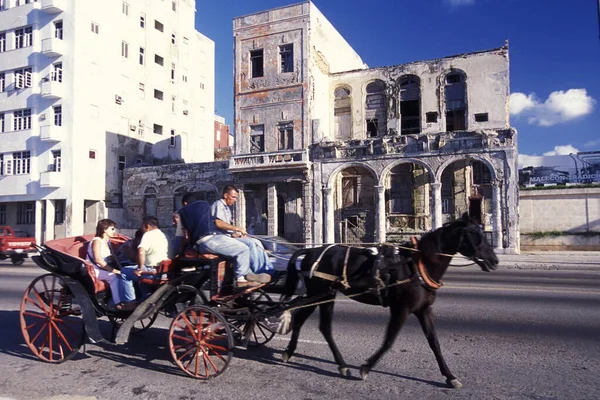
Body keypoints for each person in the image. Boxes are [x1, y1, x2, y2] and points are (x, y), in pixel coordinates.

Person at [177, 193, 267, 289]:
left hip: (207, 240)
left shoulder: (182, 214)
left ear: (185, 203)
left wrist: (180, 251)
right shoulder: (206, 206)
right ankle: (241, 279)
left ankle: (248, 274)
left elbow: (183, 236)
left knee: (246, 246)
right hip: (213, 238)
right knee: (243, 248)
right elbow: (216, 223)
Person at [212, 185, 274, 276]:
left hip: (228, 237)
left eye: (236, 198)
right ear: (225, 195)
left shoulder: (227, 209)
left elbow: (228, 230)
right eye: (233, 197)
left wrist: (237, 235)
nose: (234, 200)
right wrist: (238, 228)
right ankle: (258, 272)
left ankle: (268, 269)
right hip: (220, 239)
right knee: (250, 243)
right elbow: (219, 223)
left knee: (257, 242)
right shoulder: (218, 204)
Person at [87, 219, 136, 310]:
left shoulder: (107, 241)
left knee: (125, 273)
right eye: (112, 229)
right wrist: (114, 271)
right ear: (104, 229)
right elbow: (98, 260)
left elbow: (112, 257)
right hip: (94, 269)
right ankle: (117, 303)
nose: (115, 231)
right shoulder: (97, 241)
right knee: (114, 276)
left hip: (103, 268)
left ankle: (128, 299)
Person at [121, 217, 169, 299]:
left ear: (147, 226)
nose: (141, 229)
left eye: (142, 226)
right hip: (163, 271)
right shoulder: (164, 235)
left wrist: (140, 268)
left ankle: (129, 302)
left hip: (152, 272)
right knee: (141, 278)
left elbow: (141, 251)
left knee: (124, 272)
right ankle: (144, 300)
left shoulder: (148, 234)